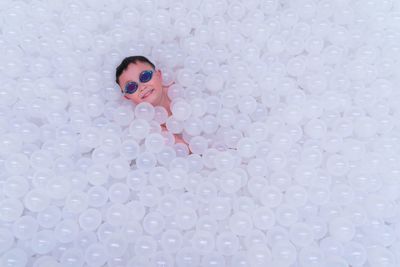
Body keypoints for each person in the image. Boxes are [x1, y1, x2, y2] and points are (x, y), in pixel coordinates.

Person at [115, 56, 189, 149]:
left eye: (145, 76)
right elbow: (184, 149)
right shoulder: (150, 127)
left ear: (158, 75)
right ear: (128, 97)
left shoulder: (180, 90)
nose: (142, 87)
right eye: (131, 87)